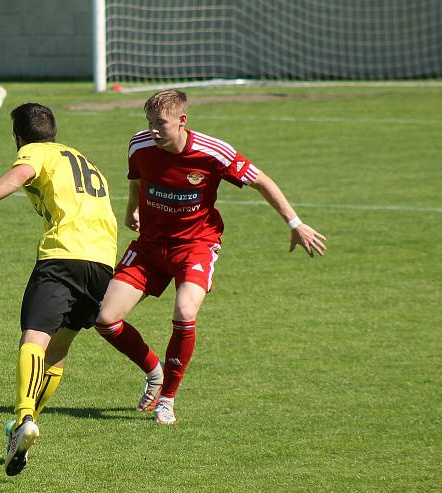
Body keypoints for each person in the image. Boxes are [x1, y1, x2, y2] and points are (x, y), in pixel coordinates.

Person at [94, 89, 327, 425]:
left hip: (195, 246)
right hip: (150, 246)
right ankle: (154, 371)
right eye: (149, 123)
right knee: (105, 319)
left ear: (182, 121)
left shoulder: (213, 152)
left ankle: (167, 401)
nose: (153, 130)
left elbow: (261, 180)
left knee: (185, 311)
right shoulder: (141, 144)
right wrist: (132, 210)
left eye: (161, 123)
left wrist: (295, 223)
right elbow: (138, 179)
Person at [0, 103, 118, 475]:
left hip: (62, 256)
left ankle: (25, 416)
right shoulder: (82, 159)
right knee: (58, 352)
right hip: (102, 263)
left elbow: (22, 172)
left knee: (34, 339)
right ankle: (21, 430)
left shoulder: (34, 152)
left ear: (19, 138)